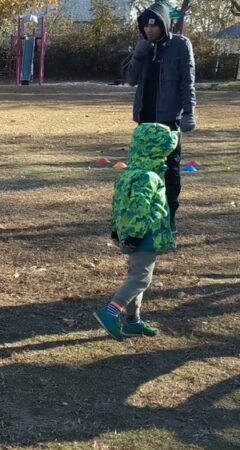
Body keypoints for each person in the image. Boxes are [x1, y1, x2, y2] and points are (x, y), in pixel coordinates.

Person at [94, 123, 179, 341]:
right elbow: (140, 207)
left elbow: (118, 203)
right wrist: (135, 235)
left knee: (135, 275)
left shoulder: (130, 172)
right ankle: (111, 311)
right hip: (144, 235)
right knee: (141, 278)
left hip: (131, 234)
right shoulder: (149, 177)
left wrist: (116, 230)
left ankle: (132, 321)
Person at [124, 1, 196, 233]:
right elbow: (130, 79)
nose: (149, 30)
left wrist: (188, 112)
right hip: (145, 120)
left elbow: (187, 82)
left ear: (164, 25)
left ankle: (169, 217)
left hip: (168, 121)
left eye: (153, 26)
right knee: (143, 171)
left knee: (170, 171)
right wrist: (138, 55)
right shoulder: (143, 46)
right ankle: (144, 214)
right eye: (145, 26)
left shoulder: (181, 45)